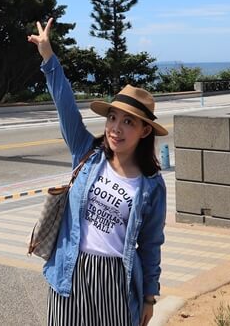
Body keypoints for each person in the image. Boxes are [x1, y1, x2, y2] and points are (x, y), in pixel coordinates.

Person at [28, 18, 167, 326]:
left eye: (128, 122)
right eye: (113, 118)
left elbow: (151, 242)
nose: (116, 128)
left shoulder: (151, 185)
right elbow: (66, 107)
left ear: (145, 131)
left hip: (117, 277)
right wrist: (49, 57)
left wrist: (149, 296)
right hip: (71, 268)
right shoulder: (87, 154)